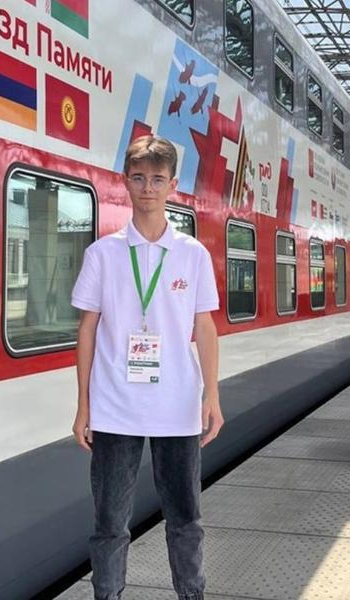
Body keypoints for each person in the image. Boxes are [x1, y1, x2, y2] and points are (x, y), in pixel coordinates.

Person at [71, 135, 222, 600]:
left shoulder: (193, 254)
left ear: (173, 185)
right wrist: (83, 405)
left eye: (157, 179)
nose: (148, 189)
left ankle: (191, 594)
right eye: (138, 178)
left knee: (185, 518)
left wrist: (212, 395)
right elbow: (87, 330)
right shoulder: (103, 254)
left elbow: (205, 327)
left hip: (178, 407)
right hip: (114, 407)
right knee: (109, 523)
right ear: (125, 182)